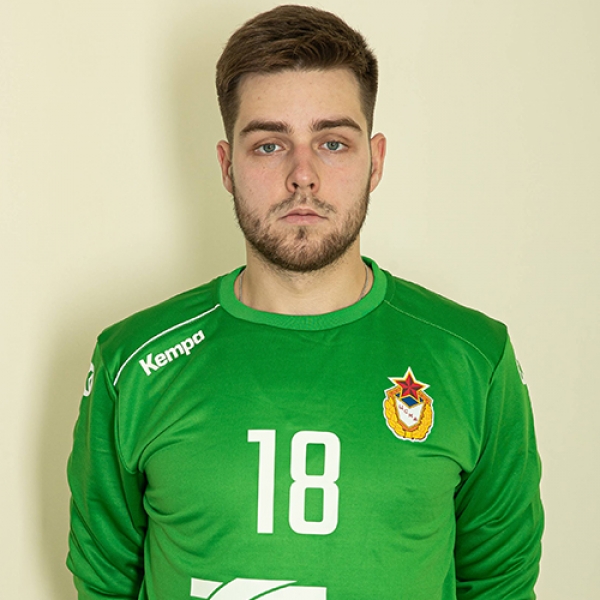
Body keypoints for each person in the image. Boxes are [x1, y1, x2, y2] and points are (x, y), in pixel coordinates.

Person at [67, 5, 543, 599]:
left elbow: (500, 583)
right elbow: (104, 580)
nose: (302, 175)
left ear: (375, 161)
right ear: (227, 166)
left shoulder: (473, 358)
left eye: (333, 143)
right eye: (269, 145)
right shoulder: (133, 361)